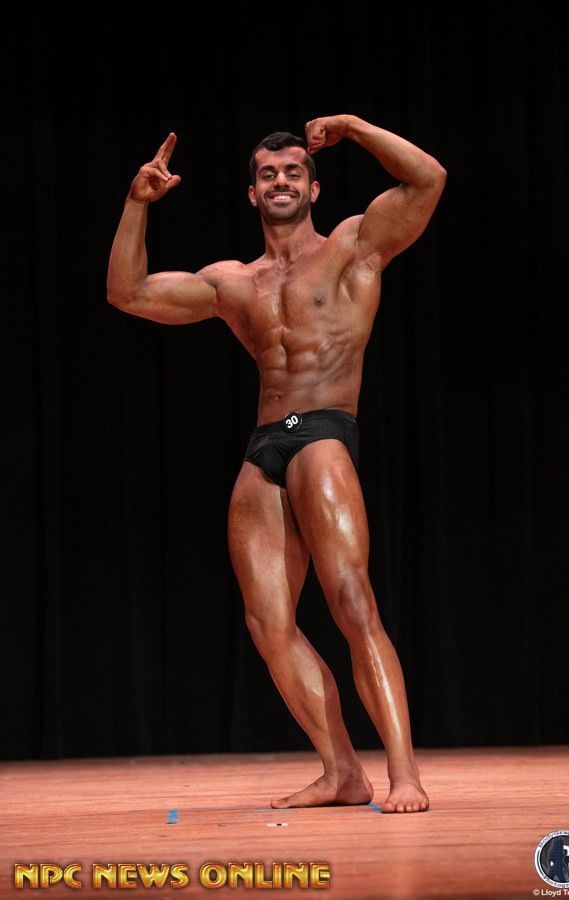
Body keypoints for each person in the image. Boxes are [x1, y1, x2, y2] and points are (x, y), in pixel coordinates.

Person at [107, 114, 446, 813]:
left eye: (293, 172)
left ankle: (405, 775)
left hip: (322, 430)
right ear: (252, 193)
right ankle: (342, 772)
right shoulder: (233, 282)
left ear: (313, 188)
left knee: (351, 600)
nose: (281, 181)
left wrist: (352, 128)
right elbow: (128, 293)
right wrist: (137, 204)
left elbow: (427, 180)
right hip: (267, 442)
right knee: (268, 625)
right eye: (268, 175)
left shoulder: (353, 247)